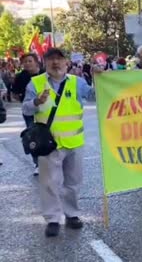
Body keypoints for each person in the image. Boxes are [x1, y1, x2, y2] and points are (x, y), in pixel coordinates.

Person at [22, 48, 95, 237]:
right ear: (45, 63)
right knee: (49, 183)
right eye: (51, 59)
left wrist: (100, 77)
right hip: (48, 144)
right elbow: (26, 109)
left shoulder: (77, 82)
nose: (56, 63)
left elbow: (95, 95)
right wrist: (36, 102)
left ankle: (72, 215)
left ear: (67, 62)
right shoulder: (35, 83)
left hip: (74, 142)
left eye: (59, 59)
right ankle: (53, 219)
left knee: (73, 182)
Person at [13, 53, 45, 175]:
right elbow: (15, 93)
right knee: (33, 137)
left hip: (45, 111)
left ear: (36, 62)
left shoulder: (45, 74)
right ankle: (37, 163)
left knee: (48, 135)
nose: (27, 63)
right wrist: (25, 99)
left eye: (29, 61)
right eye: (25, 62)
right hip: (29, 112)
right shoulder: (20, 77)